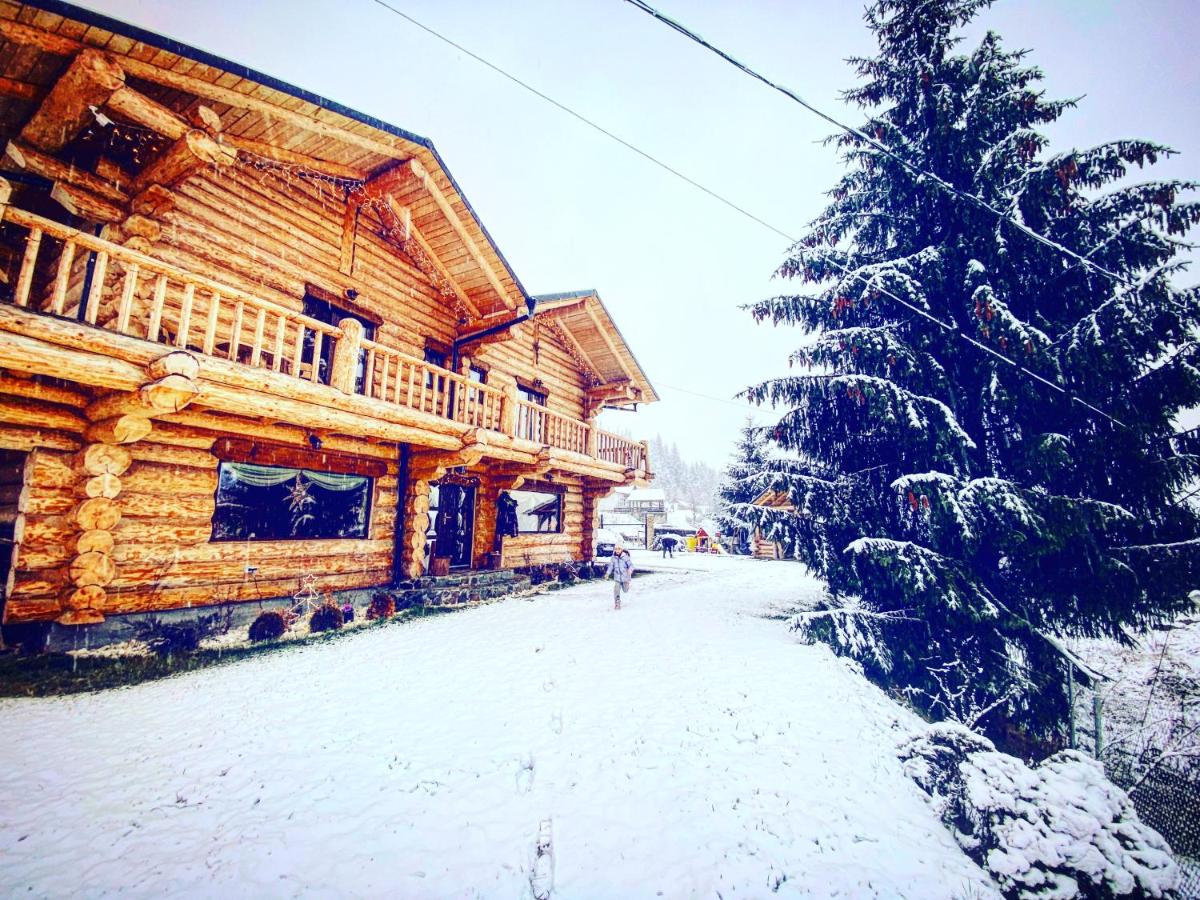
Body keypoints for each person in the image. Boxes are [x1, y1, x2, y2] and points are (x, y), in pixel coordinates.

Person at [605, 541, 634, 610]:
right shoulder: (613, 558)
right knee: (616, 589)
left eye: (619, 549)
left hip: (625, 577)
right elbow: (611, 566)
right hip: (617, 578)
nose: (617, 550)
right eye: (616, 549)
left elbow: (631, 565)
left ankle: (627, 585)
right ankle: (617, 602)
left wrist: (630, 570)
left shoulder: (625, 557)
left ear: (622, 549)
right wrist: (607, 573)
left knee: (625, 590)